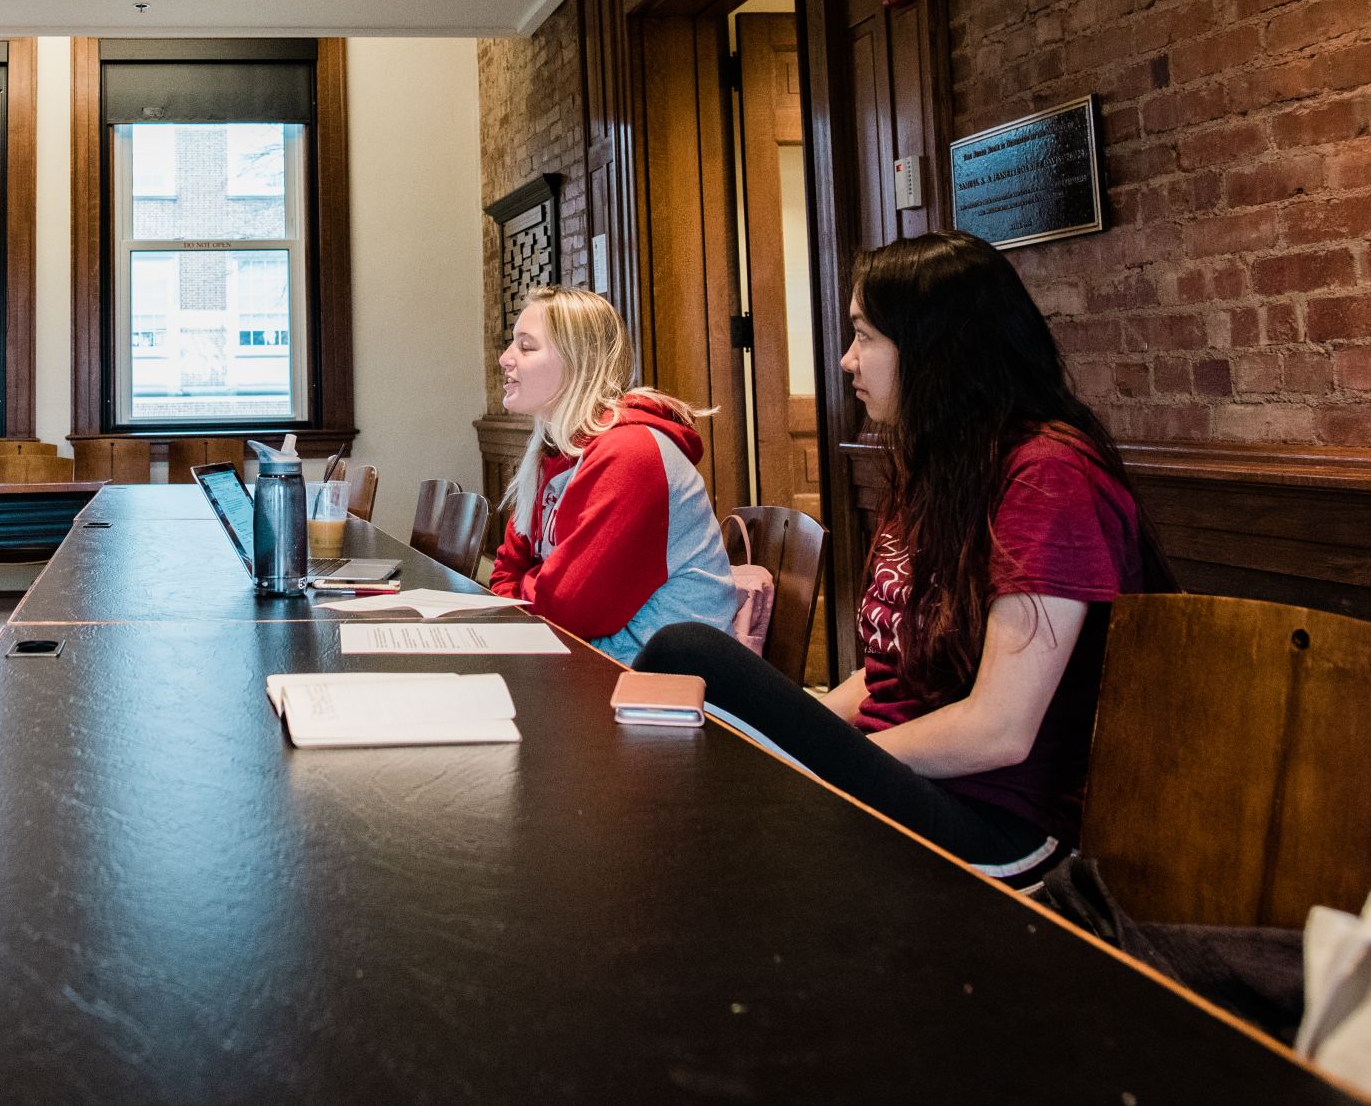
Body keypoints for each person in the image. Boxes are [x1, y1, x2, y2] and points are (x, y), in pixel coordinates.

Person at [635, 229, 1165, 881]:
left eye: (865, 335)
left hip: (994, 827)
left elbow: (1001, 727)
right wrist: (798, 738)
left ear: (934, 348)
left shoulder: (1045, 474)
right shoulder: (936, 468)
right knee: (691, 709)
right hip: (905, 779)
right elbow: (884, 676)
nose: (846, 360)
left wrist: (834, 760)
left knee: (687, 652)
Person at [487, 285, 738, 663]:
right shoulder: (552, 450)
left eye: (526, 347)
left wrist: (535, 583)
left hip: (665, 684)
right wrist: (539, 582)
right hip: (592, 661)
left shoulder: (631, 454)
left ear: (578, 361)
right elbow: (506, 568)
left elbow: (568, 609)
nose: (506, 358)